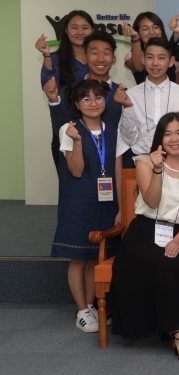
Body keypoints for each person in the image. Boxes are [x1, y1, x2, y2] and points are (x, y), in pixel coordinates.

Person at [108, 113, 179, 362]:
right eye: (168, 134)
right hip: (144, 231)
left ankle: (173, 327)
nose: (175, 139)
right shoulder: (145, 162)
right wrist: (157, 169)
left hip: (176, 232)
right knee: (163, 263)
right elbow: (152, 201)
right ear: (159, 139)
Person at [52, 79, 118, 333]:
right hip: (77, 202)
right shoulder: (69, 129)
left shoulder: (112, 129)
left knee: (95, 258)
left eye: (98, 97)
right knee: (78, 257)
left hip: (106, 203)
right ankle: (81, 310)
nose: (93, 103)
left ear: (105, 100)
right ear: (77, 104)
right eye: (86, 99)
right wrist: (77, 142)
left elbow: (117, 168)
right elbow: (76, 170)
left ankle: (91, 305)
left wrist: (122, 207)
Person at [114, 37, 179, 169]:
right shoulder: (131, 95)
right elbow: (129, 139)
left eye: (161, 58)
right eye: (150, 57)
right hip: (141, 163)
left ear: (171, 61)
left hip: (174, 163)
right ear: (143, 59)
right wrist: (128, 107)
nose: (155, 63)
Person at [37, 10, 94, 171]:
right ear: (66, 31)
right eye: (74, 27)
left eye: (85, 27)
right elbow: (49, 86)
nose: (80, 32)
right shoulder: (55, 58)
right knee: (69, 188)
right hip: (65, 131)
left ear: (93, 30)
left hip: (95, 132)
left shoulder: (97, 58)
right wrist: (46, 55)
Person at [46, 31, 124, 133]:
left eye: (106, 53)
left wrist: (127, 106)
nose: (100, 59)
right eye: (94, 53)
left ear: (114, 59)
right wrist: (53, 101)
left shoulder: (123, 95)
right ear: (84, 57)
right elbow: (60, 131)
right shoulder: (71, 92)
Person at [123, 12, 179, 84]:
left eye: (156, 27)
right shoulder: (131, 56)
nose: (152, 32)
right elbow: (138, 67)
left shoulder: (173, 58)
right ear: (138, 33)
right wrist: (135, 37)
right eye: (145, 29)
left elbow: (178, 88)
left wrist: (176, 33)